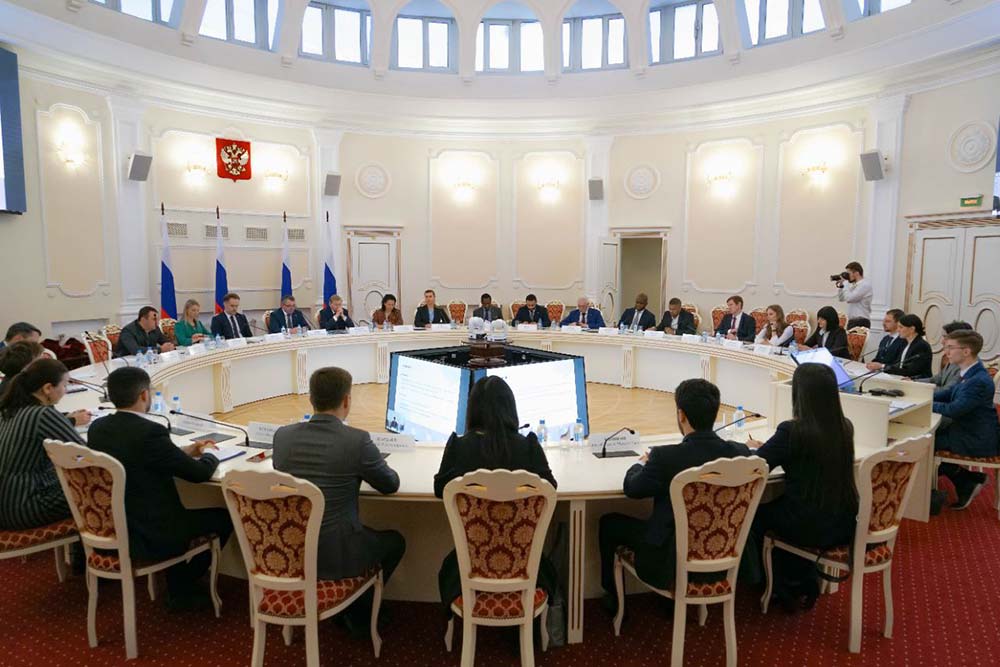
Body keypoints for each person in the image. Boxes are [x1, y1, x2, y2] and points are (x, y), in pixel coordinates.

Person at [597, 379, 751, 612]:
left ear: (681, 415)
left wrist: (640, 463)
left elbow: (633, 489)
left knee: (609, 524)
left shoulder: (664, 458)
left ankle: (614, 602)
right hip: (722, 558)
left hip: (669, 560)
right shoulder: (740, 453)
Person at [86, 367, 232, 610]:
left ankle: (179, 582)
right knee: (223, 518)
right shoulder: (150, 432)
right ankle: (182, 585)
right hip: (151, 533)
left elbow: (140, 456)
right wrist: (209, 453)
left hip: (113, 525)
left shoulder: (98, 428)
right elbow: (199, 474)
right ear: (144, 395)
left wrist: (186, 451)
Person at [272, 367, 405, 629]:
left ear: (311, 399)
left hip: (291, 552)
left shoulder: (282, 437)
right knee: (395, 542)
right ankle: (360, 613)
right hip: (338, 555)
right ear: (346, 401)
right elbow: (390, 484)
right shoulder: (357, 441)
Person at [433, 376, 558, 616]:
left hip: (467, 568)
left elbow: (441, 489)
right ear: (510, 409)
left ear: (472, 410)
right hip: (526, 567)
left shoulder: (458, 447)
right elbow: (549, 487)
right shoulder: (528, 446)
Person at [746, 364, 858, 611]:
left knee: (751, 516)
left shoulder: (791, 431)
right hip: (844, 522)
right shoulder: (845, 426)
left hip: (808, 526)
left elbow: (758, 465)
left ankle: (776, 583)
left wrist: (755, 448)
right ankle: (798, 578)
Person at [0, 359, 84, 530]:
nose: (66, 390)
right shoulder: (42, 414)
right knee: (104, 490)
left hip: (6, 503)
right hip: (25, 506)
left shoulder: (7, 411)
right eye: (64, 385)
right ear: (47, 388)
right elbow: (82, 454)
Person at [932, 330, 1000, 509]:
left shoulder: (977, 380)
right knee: (926, 438)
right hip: (967, 430)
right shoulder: (969, 372)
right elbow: (947, 394)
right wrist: (918, 395)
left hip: (975, 438)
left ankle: (960, 482)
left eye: (950, 347)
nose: (946, 351)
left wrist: (926, 404)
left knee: (925, 443)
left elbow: (954, 410)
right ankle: (966, 479)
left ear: (966, 351)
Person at [0, 342, 90, 427]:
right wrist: (73, 420)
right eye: (41, 358)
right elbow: (34, 423)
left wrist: (66, 416)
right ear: (29, 366)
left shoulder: (16, 382)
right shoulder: (20, 390)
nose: (46, 359)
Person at [920, 321, 974, 389]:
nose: (942, 342)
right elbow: (936, 379)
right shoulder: (952, 358)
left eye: (945, 337)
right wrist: (913, 382)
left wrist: (921, 388)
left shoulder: (966, 364)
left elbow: (948, 390)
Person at [881, 314, 932, 379]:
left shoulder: (921, 346)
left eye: (901, 327)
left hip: (917, 381)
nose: (898, 330)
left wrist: (883, 367)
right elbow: (898, 364)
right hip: (902, 378)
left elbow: (910, 371)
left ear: (912, 329)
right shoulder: (904, 343)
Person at [836, 261, 873, 329]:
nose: (847, 276)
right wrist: (841, 286)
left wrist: (845, 283)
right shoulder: (854, 285)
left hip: (861, 321)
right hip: (852, 321)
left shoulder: (864, 285)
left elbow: (849, 299)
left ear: (856, 273)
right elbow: (841, 298)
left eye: (848, 273)